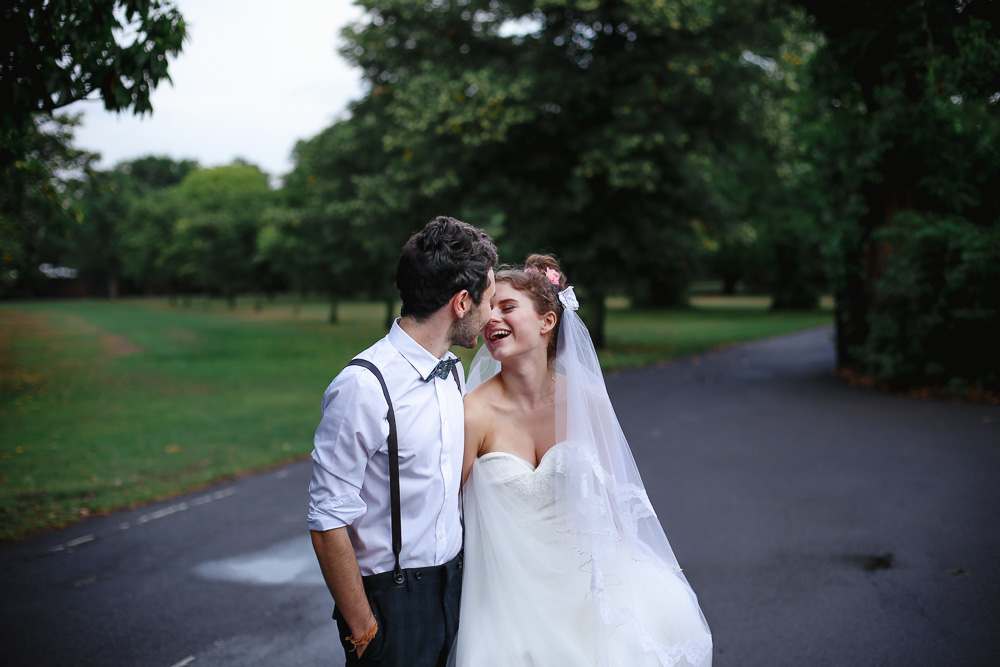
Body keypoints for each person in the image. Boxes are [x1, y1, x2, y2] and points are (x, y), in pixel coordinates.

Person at [453, 254, 713, 666]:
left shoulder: (587, 400)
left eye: (507, 307)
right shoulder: (472, 413)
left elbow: (615, 505)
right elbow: (450, 516)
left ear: (547, 322)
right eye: (489, 308)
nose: (491, 319)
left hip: (588, 596)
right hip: (505, 602)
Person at [308, 216, 497, 667]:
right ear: (462, 302)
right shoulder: (363, 386)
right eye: (488, 301)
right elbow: (326, 516)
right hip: (391, 601)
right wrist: (364, 628)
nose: (490, 315)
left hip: (457, 586)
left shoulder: (453, 370)